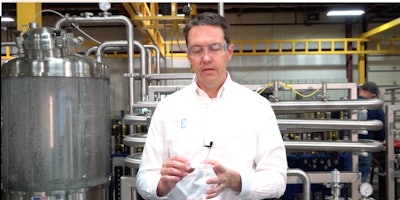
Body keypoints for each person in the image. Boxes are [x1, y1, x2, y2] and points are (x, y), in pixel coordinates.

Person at [136, 12, 287, 200]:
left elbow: (277, 179)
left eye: (214, 48)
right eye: (197, 50)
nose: (206, 58)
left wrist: (239, 181)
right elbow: (144, 178)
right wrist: (161, 185)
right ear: (188, 55)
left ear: (229, 51)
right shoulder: (168, 108)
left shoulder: (257, 107)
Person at [357, 81, 386, 183]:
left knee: (346, 173)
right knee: (362, 176)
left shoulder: (348, 102)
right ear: (373, 94)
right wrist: (378, 141)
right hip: (366, 146)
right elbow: (382, 127)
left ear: (360, 90)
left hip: (346, 146)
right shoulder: (375, 106)